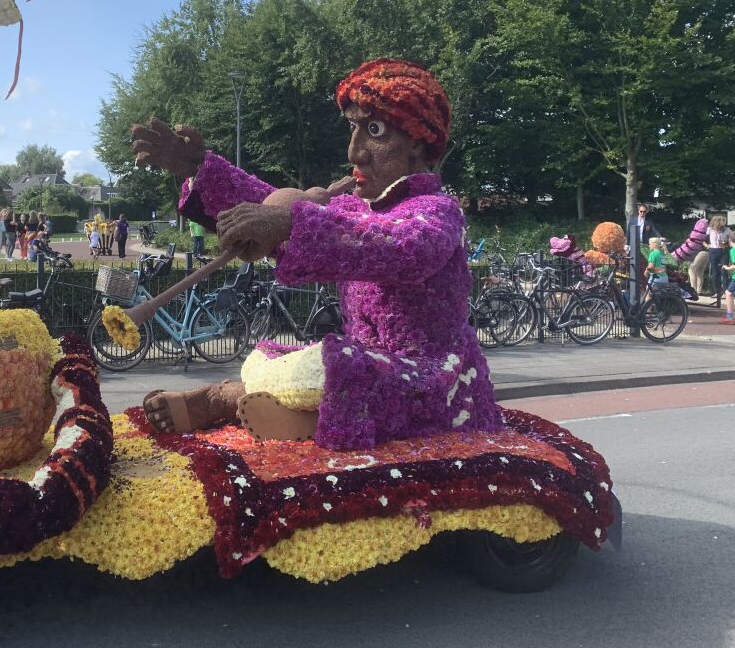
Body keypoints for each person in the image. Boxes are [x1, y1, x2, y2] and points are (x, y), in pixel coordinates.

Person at [134, 58, 502, 448]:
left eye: (374, 131)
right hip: (367, 363)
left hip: (433, 379)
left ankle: (234, 400)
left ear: (417, 142)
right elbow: (271, 204)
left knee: (332, 367)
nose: (355, 152)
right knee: (271, 360)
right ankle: (257, 401)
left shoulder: (437, 211)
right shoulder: (355, 208)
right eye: (353, 128)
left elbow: (398, 246)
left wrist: (291, 223)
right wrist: (198, 167)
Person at [705, 214, 730, 303]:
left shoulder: (727, 230)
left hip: (723, 251)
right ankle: (717, 291)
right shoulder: (709, 229)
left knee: (724, 271)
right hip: (713, 250)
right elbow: (703, 239)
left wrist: (725, 244)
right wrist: (707, 246)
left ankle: (725, 291)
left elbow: (730, 241)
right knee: (715, 272)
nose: (723, 224)